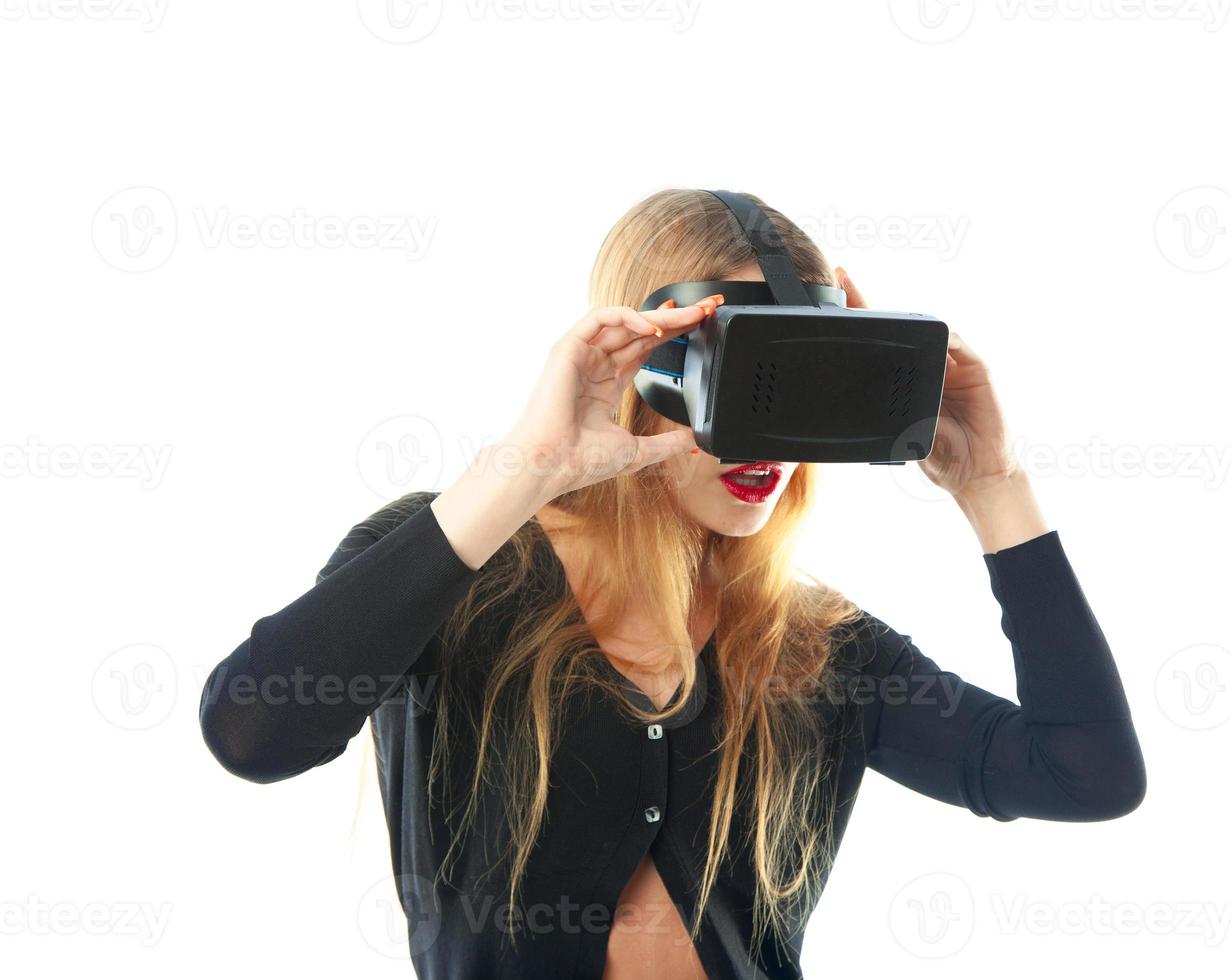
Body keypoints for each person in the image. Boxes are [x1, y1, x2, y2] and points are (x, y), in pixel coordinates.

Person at [198, 189, 1146, 980]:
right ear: (649, 371)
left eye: (806, 394)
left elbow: (1087, 774)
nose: (771, 445)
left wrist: (994, 489)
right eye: (750, 389)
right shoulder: (460, 562)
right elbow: (253, 731)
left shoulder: (813, 646)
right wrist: (525, 467)